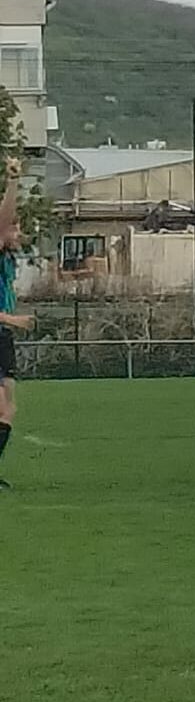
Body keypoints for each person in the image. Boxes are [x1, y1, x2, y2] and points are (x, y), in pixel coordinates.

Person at [0, 158, 36, 491]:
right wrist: (13, 181)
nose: (18, 233)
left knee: (8, 407)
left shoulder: (10, 260)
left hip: (4, 336)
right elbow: (3, 220)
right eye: (15, 228)